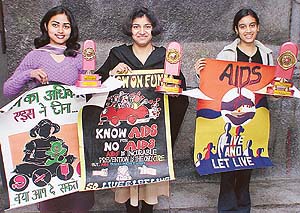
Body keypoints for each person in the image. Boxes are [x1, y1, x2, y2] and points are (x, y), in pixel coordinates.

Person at [95, 6, 189, 213]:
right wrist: (111, 73)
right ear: (130, 29)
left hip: (153, 135)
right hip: (127, 135)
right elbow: (95, 85)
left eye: (147, 26)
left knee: (150, 182)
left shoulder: (166, 56)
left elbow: (180, 88)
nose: (141, 31)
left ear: (153, 29)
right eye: (136, 26)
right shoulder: (118, 54)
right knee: (129, 179)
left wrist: (174, 92)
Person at [3, 5, 94, 213]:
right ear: (46, 26)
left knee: (78, 193)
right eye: (55, 25)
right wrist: (29, 74)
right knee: (49, 190)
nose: (61, 30)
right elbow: (8, 89)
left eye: (66, 26)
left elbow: (90, 89)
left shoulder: (79, 58)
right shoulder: (35, 57)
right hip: (44, 134)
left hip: (74, 131)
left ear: (72, 30)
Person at [194, 8, 273, 213]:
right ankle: (227, 208)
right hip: (228, 117)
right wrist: (200, 73)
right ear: (236, 30)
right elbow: (213, 84)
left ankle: (244, 207)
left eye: (252, 25)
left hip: (256, 116)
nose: (248, 30)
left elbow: (273, 85)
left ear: (258, 27)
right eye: (243, 26)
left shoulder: (267, 55)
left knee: (248, 161)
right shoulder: (227, 53)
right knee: (227, 163)